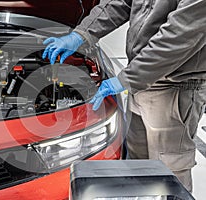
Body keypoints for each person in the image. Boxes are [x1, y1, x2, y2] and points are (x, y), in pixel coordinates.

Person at [42, 0, 206, 192]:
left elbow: (179, 37)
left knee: (169, 170)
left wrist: (125, 79)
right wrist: (83, 34)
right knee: (138, 163)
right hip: (140, 79)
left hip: (174, 85)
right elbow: (119, 2)